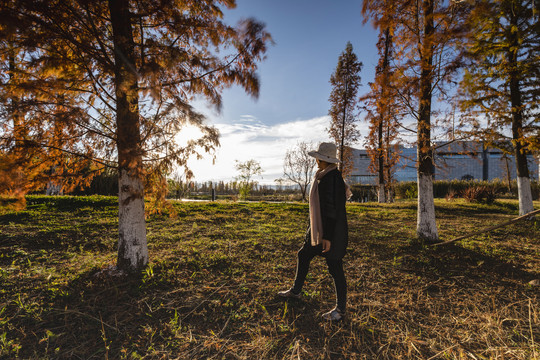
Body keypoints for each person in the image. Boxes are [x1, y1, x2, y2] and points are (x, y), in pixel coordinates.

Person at [278, 142, 349, 321]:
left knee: (335, 268)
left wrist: (327, 237)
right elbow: (320, 210)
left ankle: (340, 310)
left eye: (319, 158)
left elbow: (332, 210)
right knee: (304, 254)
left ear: (323, 159)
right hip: (321, 232)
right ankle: (296, 291)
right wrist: (312, 232)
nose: (316, 160)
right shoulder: (325, 175)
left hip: (331, 234)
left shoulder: (331, 178)